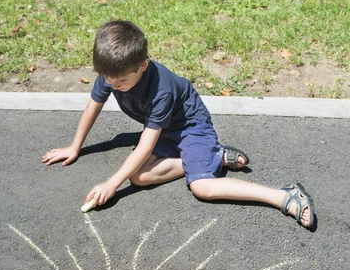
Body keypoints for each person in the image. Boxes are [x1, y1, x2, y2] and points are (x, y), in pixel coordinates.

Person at [42, 20, 315, 229]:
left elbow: (146, 144)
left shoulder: (162, 89)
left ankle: (284, 196)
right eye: (108, 80)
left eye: (120, 83)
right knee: (138, 176)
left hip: (191, 129)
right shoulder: (113, 71)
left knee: (202, 188)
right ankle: (214, 156)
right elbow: (94, 105)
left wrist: (111, 184)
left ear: (143, 65)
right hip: (163, 132)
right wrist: (75, 147)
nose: (113, 87)